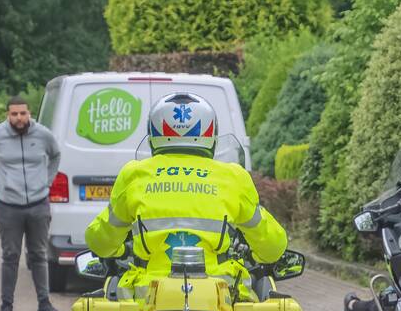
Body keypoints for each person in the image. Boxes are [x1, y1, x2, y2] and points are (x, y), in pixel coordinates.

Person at [85, 92, 287, 299]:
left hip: (149, 296)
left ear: (154, 134)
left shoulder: (134, 174)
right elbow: (273, 246)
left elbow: (100, 242)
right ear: (211, 134)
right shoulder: (233, 176)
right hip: (220, 295)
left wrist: (117, 251)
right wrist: (257, 254)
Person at [0, 95, 61, 311]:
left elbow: (56, 154)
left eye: (23, 113)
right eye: (14, 114)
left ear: (29, 113)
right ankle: (6, 305)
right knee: (10, 255)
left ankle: (44, 302)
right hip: (8, 206)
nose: (19, 118)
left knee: (39, 254)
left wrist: (48, 180)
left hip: (38, 203)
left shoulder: (43, 135)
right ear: (8, 115)